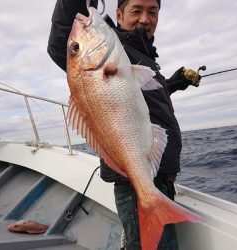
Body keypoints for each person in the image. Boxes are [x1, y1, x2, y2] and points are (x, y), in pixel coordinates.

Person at [47, 0, 200, 249]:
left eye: (152, 11)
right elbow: (60, 43)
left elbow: (135, 102)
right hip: (136, 184)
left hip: (153, 177)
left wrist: (172, 84)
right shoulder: (117, 45)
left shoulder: (142, 56)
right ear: (118, 14)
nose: (145, 18)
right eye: (136, 10)